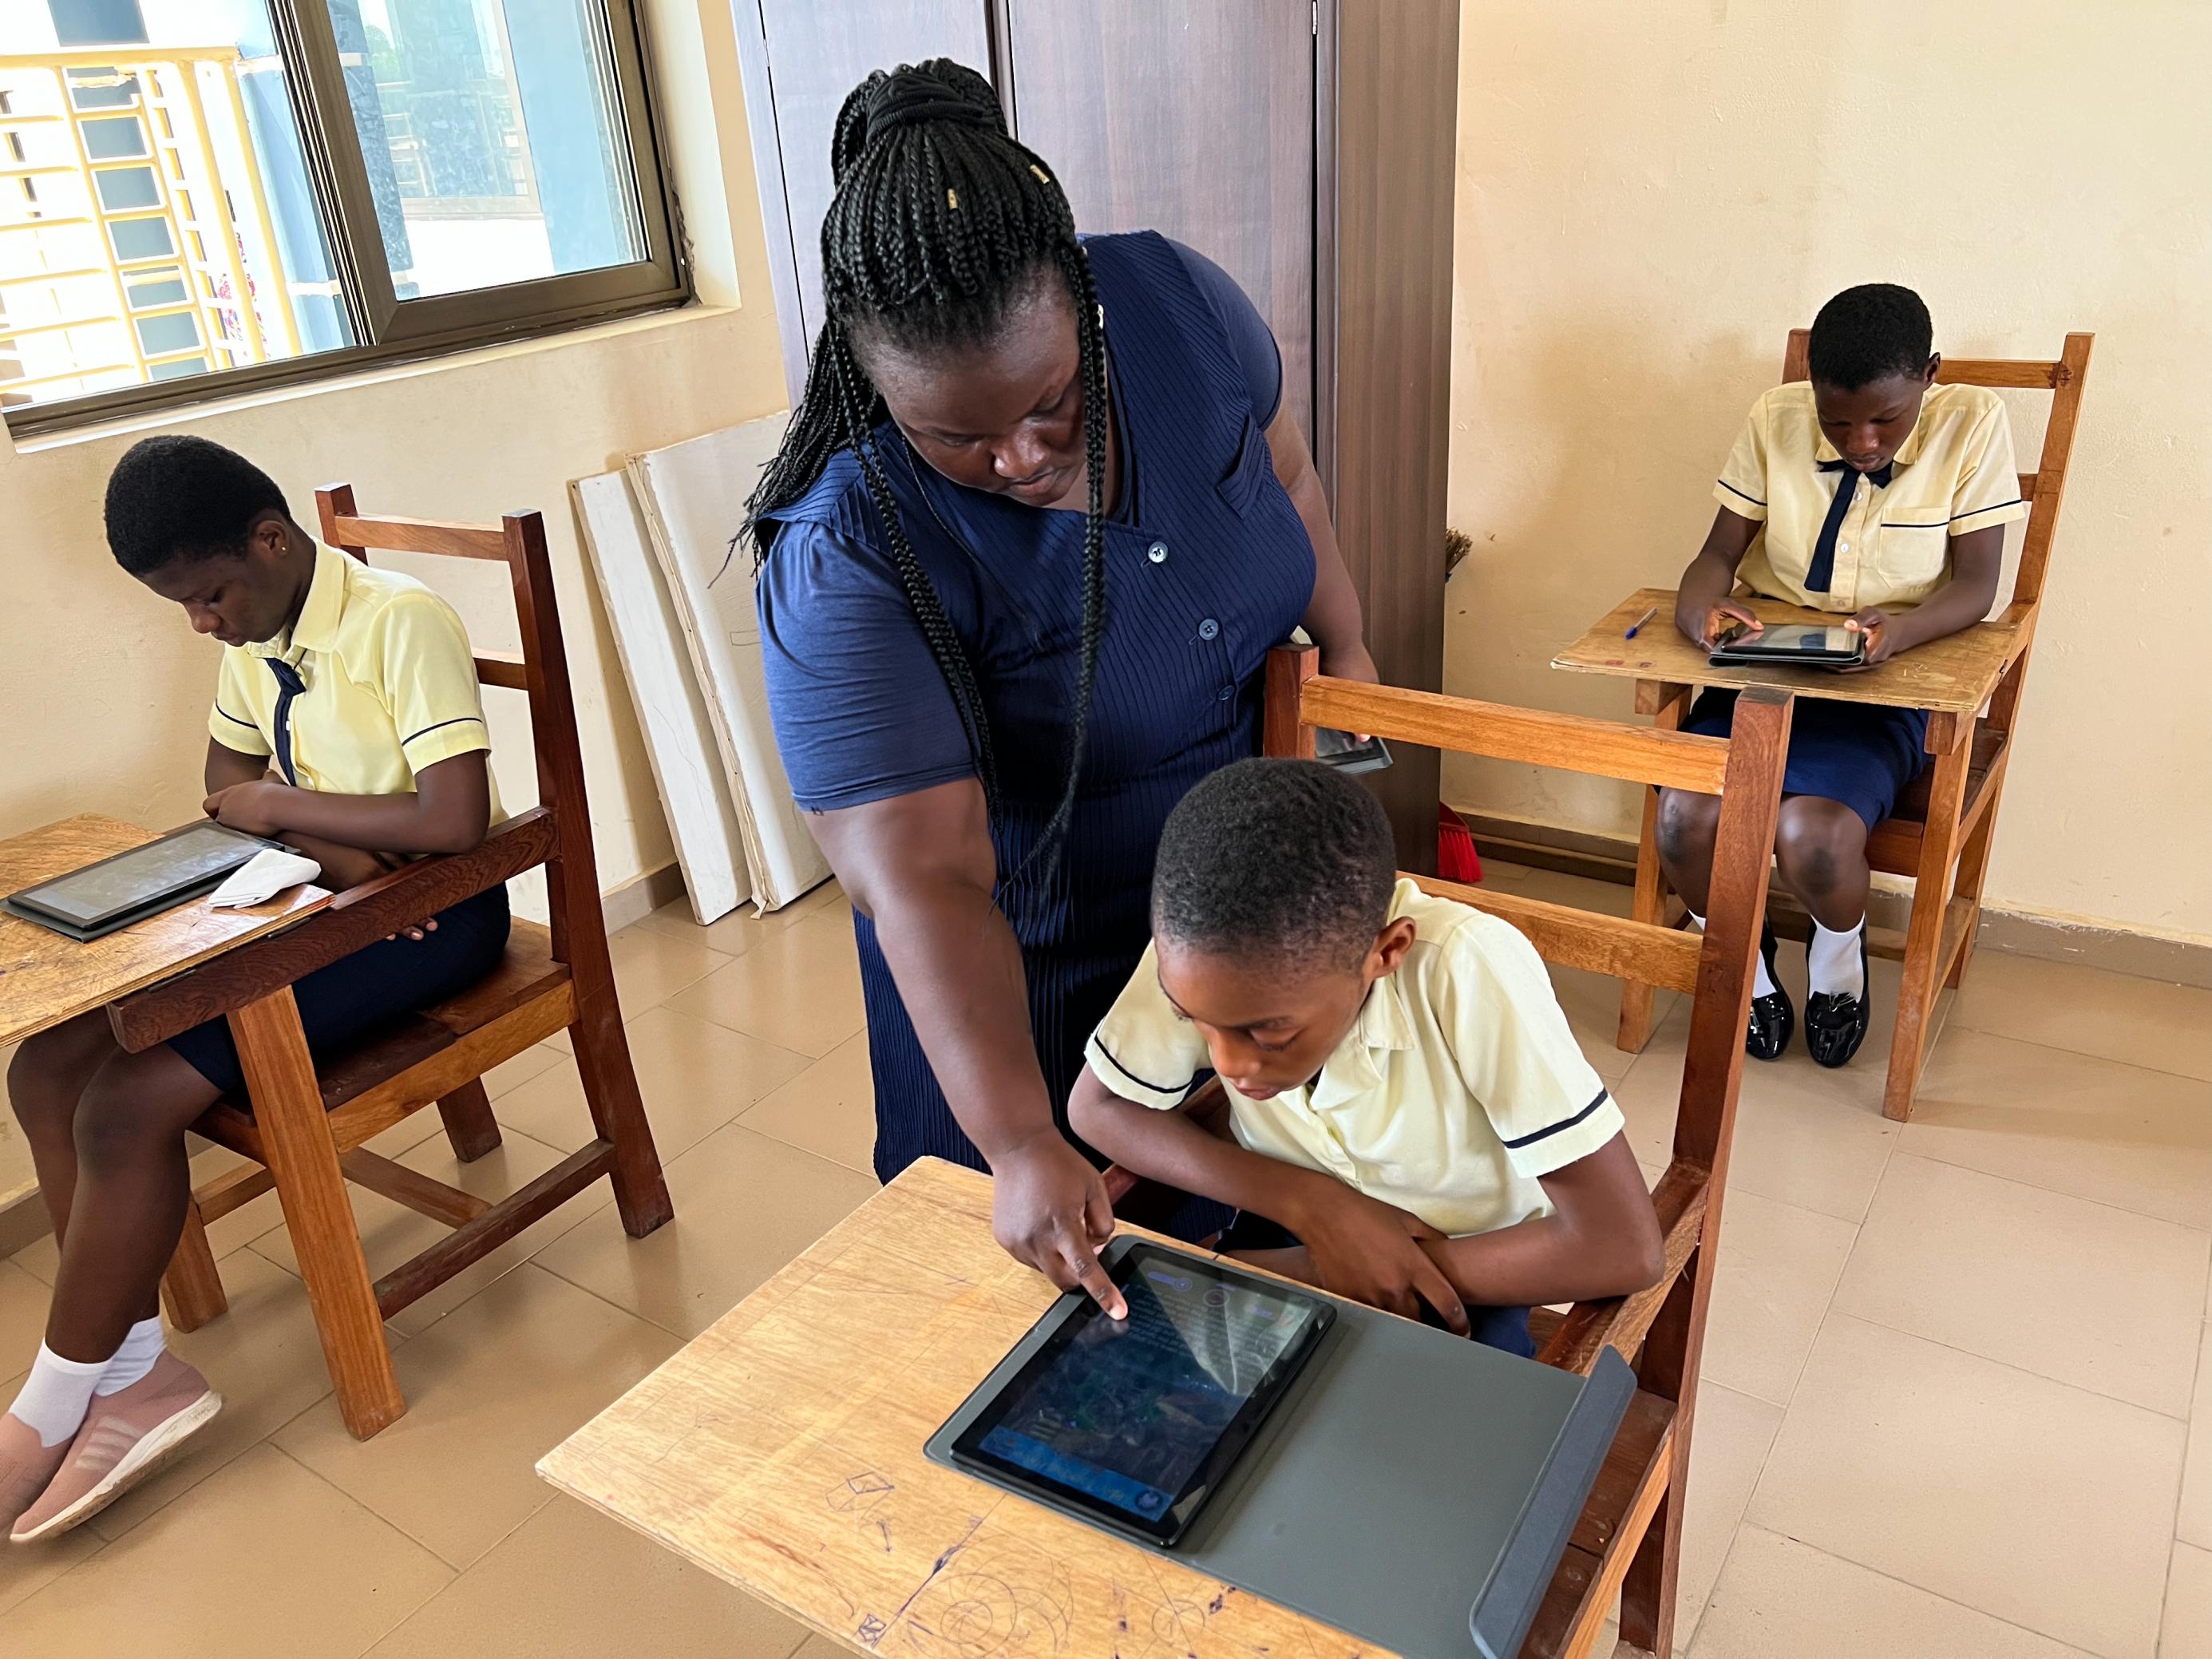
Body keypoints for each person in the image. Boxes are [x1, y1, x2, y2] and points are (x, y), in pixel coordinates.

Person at [747, 59, 1379, 1315]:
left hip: (1233, 941)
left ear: (1083, 312)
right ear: (877, 388)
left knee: (1245, 1306)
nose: (1022, 456)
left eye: (1049, 406)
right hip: (1033, 988)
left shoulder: (1178, 306)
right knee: (1055, 1344)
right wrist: (1022, 1137)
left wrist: (1346, 654)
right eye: (959, 437)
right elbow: (921, 875)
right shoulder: (850, 550)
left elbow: (1288, 479)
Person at [2, 436, 511, 1542]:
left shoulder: (397, 621)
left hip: (433, 913)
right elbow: (223, 782)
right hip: (324, 893)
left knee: (126, 1103)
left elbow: (450, 822)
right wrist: (328, 847)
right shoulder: (259, 628)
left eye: (207, 593)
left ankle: (50, 1408)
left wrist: (292, 816)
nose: (200, 622)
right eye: (181, 605)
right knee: (44, 1065)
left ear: (271, 541)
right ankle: (129, 1368)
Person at [1067, 759, 1664, 1354]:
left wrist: (1324, 1268)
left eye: (1270, 1035)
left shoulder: (1466, 966)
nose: (1228, 1066)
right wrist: (1314, 1207)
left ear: (1387, 951)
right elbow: (1097, 1107)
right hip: (1284, 1220)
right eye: (1190, 1021)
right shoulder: (1204, 949)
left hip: (1469, 1262)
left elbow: (1622, 1247)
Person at [1660, 284, 2028, 1067]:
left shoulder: (1972, 423)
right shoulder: (1775, 415)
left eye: (1884, 419)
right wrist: (1698, 612)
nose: (1859, 440)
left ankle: (1834, 958)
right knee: (1681, 818)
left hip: (1882, 683)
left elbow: (1975, 585)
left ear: (1928, 374)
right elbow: (1714, 557)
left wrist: (1901, 630)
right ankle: (1742, 957)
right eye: (1836, 421)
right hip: (1767, 672)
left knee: (1812, 838)